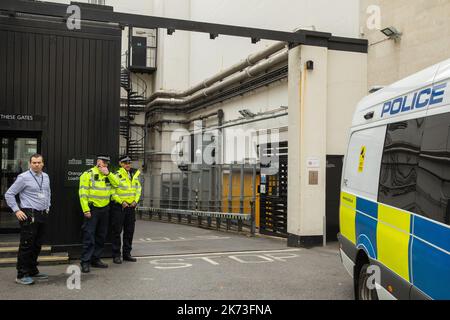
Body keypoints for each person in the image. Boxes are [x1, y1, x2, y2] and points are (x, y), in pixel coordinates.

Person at [5, 154, 51, 285]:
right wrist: (17, 210)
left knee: (37, 244)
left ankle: (32, 270)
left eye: (39, 162)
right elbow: (9, 194)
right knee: (27, 245)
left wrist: (48, 207)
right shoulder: (23, 177)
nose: (36, 164)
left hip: (42, 214)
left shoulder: (46, 177)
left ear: (43, 164)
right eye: (34, 162)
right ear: (30, 164)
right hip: (29, 214)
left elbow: (48, 193)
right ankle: (21, 274)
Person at [78, 155, 119, 273]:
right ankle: (85, 262)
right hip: (92, 209)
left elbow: (117, 184)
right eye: (103, 162)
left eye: (107, 163)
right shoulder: (88, 174)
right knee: (89, 236)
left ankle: (96, 259)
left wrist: (108, 174)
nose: (105, 164)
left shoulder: (108, 174)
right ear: (98, 162)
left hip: (105, 209)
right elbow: (83, 193)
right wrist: (86, 209)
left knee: (101, 236)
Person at [110, 155, 142, 264]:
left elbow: (138, 189)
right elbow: (112, 191)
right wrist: (121, 202)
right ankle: (116, 255)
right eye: (125, 163)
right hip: (120, 207)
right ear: (120, 164)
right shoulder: (116, 175)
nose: (128, 165)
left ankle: (127, 254)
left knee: (129, 232)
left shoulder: (134, 175)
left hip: (131, 207)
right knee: (116, 232)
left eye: (129, 163)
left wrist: (135, 201)